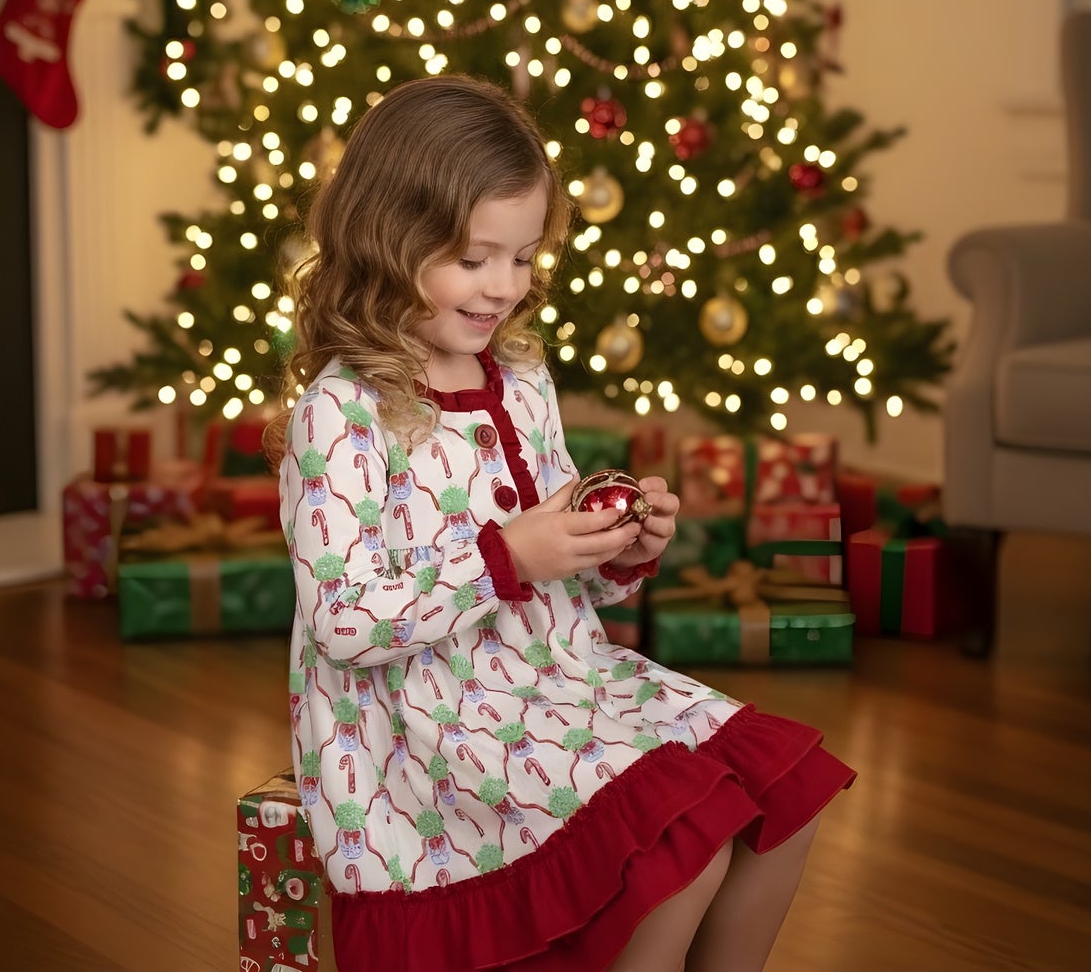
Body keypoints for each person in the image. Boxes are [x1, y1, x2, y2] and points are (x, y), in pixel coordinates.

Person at [274, 75, 854, 972]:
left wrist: (616, 545)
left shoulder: (522, 377)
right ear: (388, 240)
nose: (503, 285)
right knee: (681, 843)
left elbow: (560, 554)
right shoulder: (340, 412)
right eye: (474, 258)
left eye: (523, 256)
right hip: (423, 719)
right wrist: (508, 554)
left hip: (556, 675)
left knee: (786, 804)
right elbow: (346, 622)